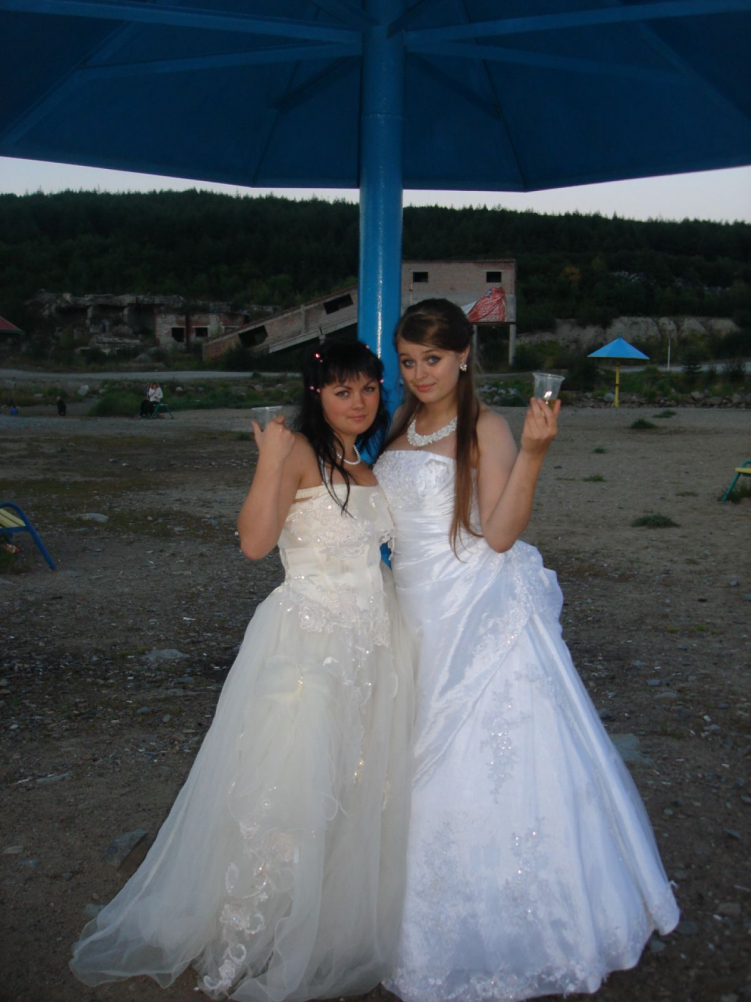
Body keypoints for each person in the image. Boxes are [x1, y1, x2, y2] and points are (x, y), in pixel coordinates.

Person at [71, 341, 413, 1000]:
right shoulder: (298, 452)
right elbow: (255, 542)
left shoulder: (367, 467)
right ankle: (256, 930)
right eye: (342, 391)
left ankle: (324, 919)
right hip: (308, 641)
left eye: (369, 389)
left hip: (372, 643)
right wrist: (267, 460)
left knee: (355, 780)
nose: (359, 402)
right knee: (290, 786)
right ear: (317, 395)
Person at [373, 299, 679, 1002]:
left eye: (433, 359)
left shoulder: (485, 426)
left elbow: (502, 533)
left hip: (472, 608)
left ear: (463, 356)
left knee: (479, 760)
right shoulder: (401, 424)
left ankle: (513, 924)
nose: (419, 374)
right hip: (411, 607)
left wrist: (534, 454)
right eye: (409, 361)